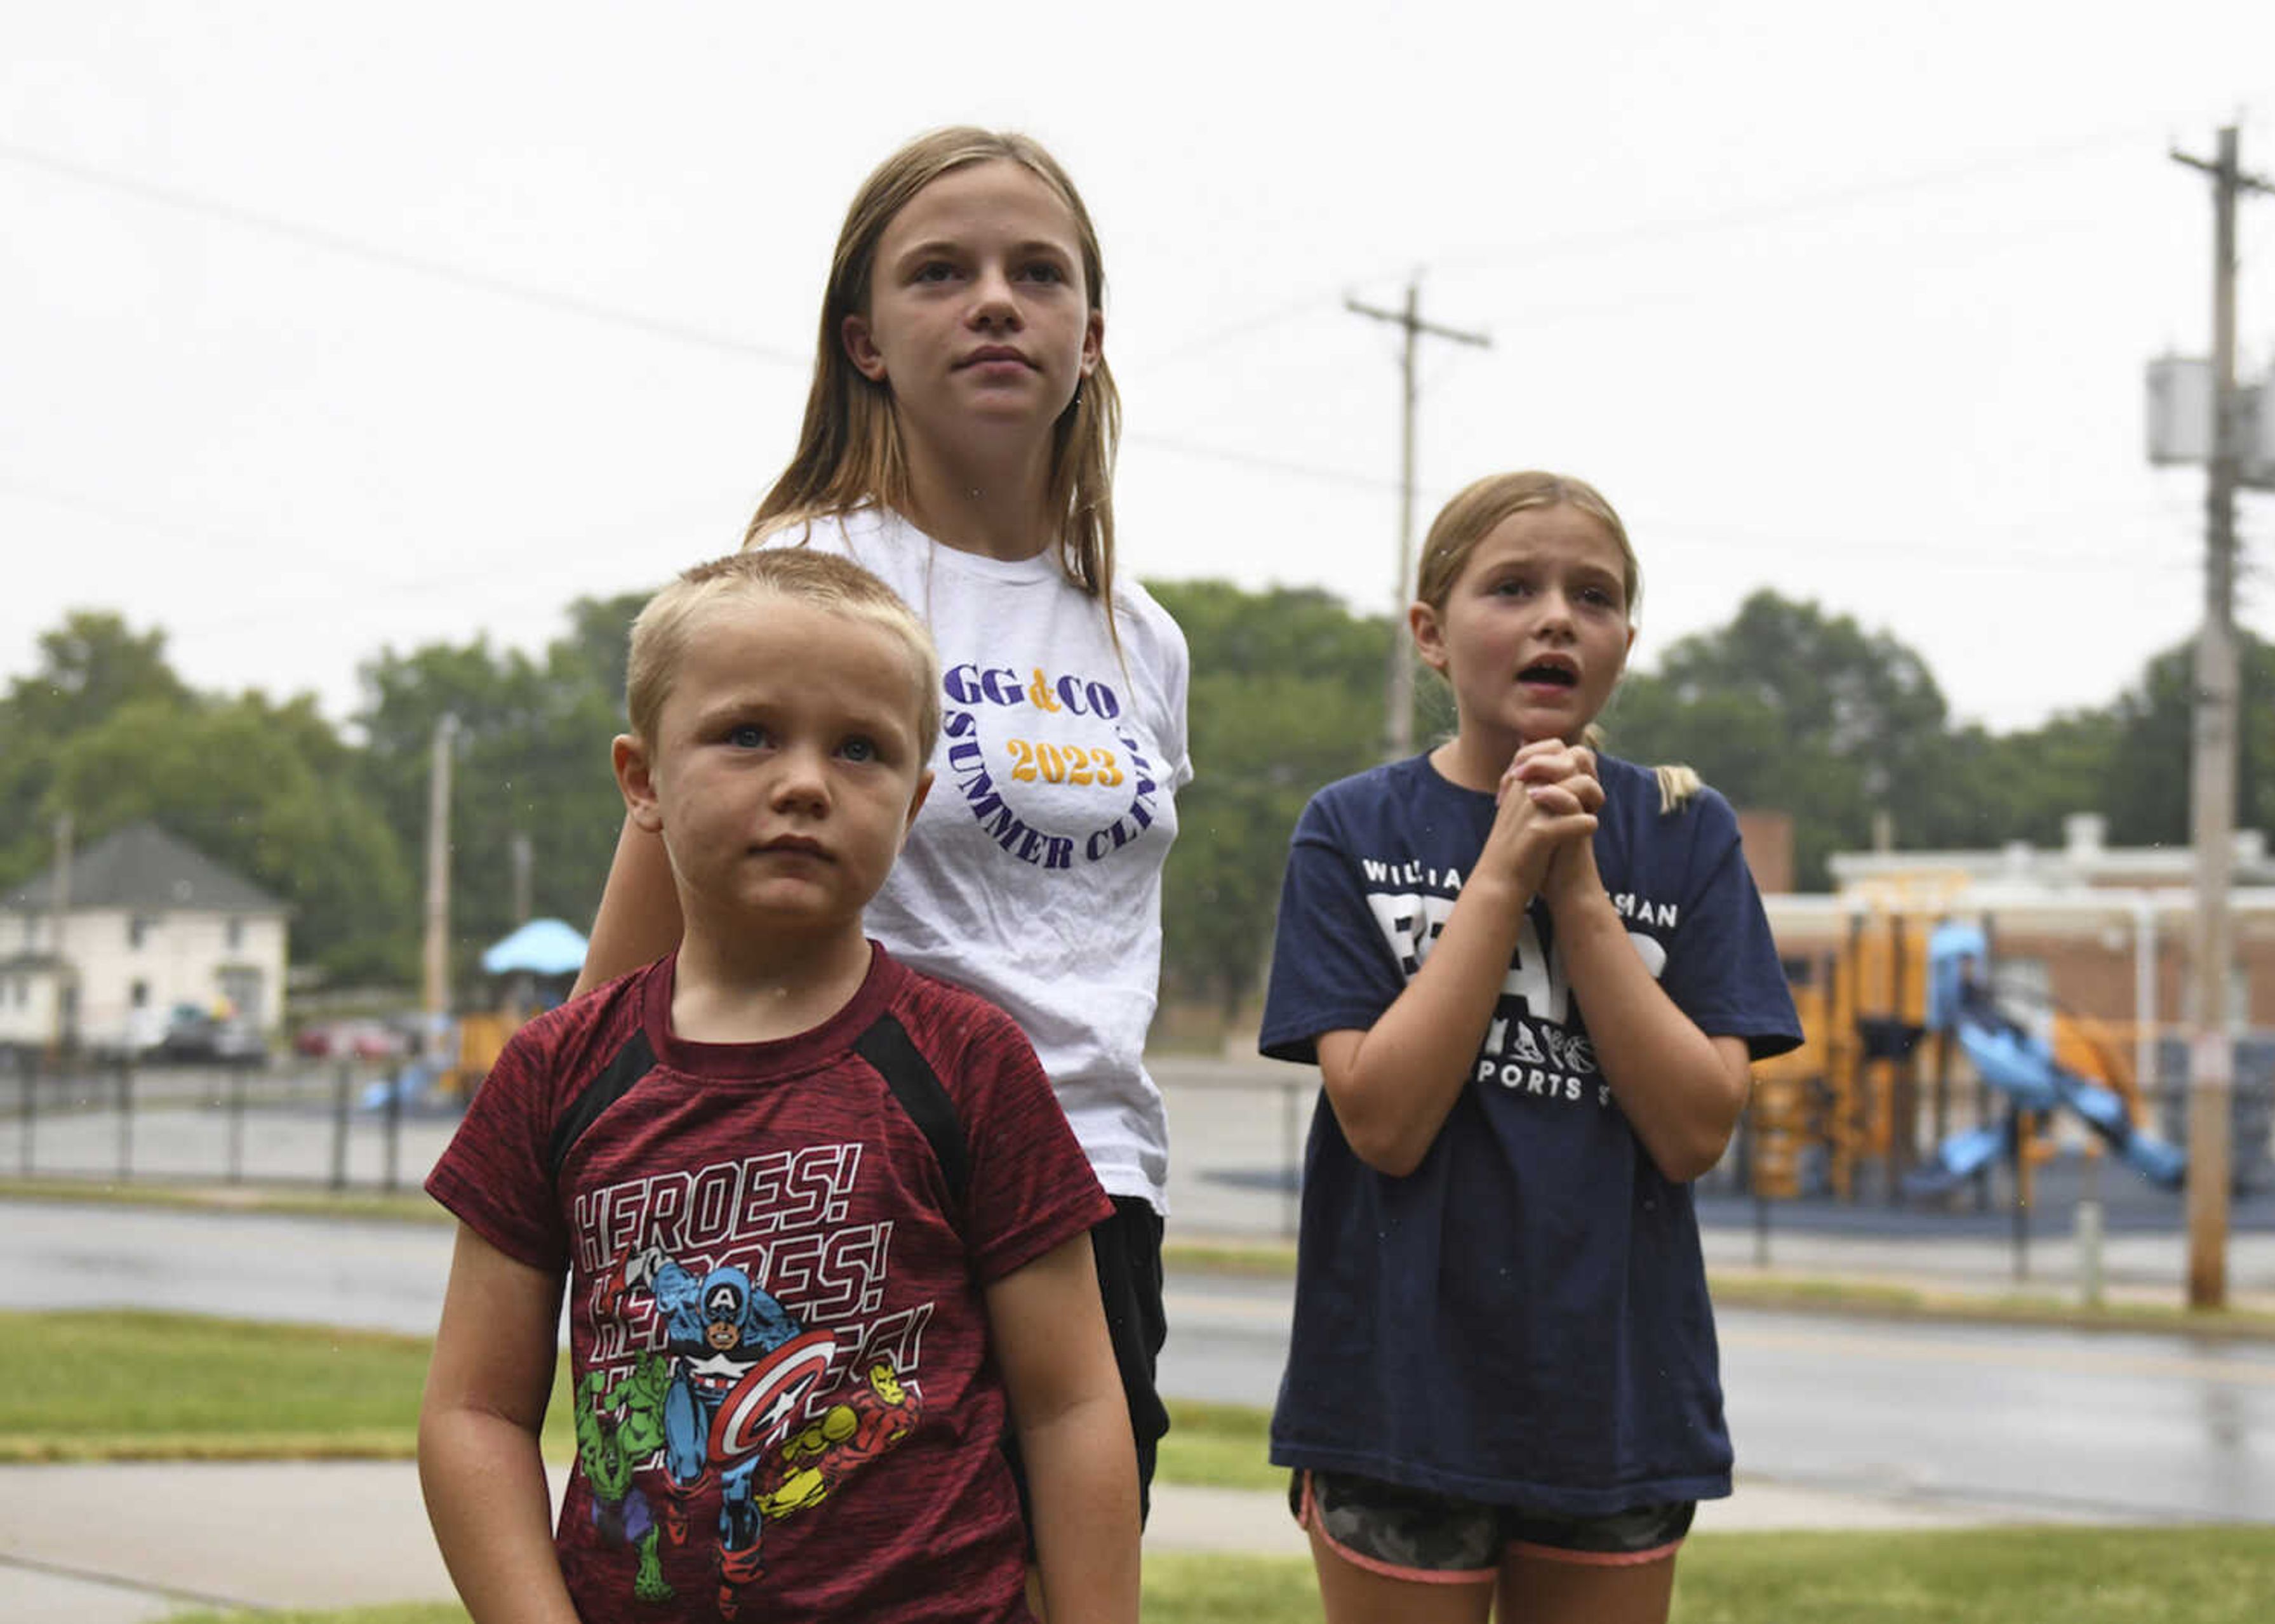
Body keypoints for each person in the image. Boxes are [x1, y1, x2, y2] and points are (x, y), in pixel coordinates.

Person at [574, 126, 1190, 1529]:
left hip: (1095, 1189)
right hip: (846, 1177)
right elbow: (632, 959)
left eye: (1039, 273)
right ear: (864, 339)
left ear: (1089, 337)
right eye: (940, 272)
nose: (994, 301)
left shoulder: (1141, 638)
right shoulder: (810, 582)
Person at [420, 549, 1139, 1624]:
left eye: (861, 749)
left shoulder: (971, 1063)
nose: (806, 781)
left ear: (915, 800)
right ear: (642, 779)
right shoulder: (555, 1072)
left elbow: (1074, 1403)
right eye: (748, 733)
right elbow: (473, 1410)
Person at [1257, 471, 1803, 1624]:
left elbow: (1696, 1127)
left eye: (1592, 596)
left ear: (1623, 644)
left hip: (1614, 1397)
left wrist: (1579, 885)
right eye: (1512, 587)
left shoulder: (1681, 830)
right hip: (1395, 1394)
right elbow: (1386, 1124)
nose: (1557, 615)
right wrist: (1502, 872)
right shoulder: (1352, 828)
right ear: (1432, 636)